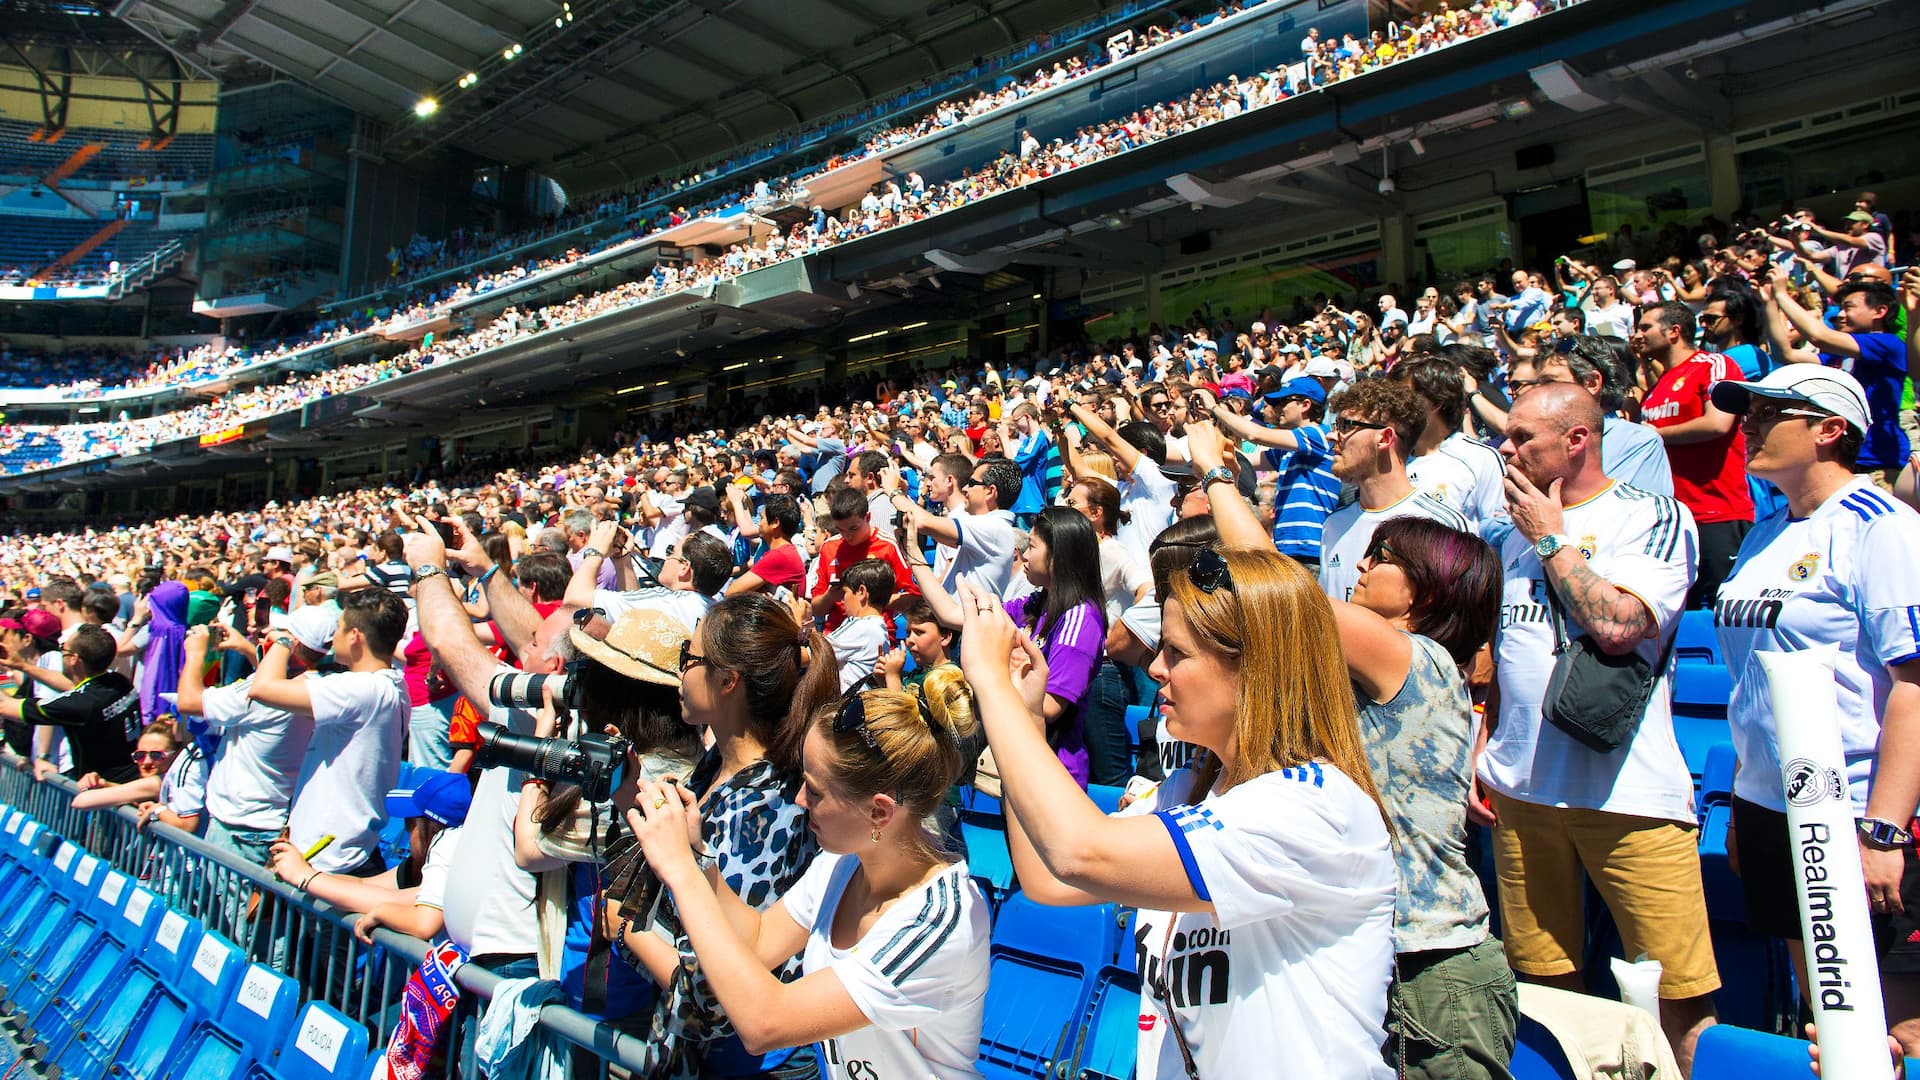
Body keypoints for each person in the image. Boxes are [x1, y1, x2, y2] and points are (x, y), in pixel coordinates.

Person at [956, 546, 1396, 1079]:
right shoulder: (1189, 789)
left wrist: (991, 685)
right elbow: (1051, 878)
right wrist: (1026, 715)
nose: (1155, 668)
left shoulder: (1315, 808)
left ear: (1255, 669)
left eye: (1178, 653)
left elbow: (1080, 854)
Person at [1191, 415, 1516, 1077]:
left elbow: (1281, 588)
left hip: (1433, 970)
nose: (1362, 564)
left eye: (1385, 557)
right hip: (1368, 956)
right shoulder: (1371, 668)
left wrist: (1217, 475)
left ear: (1429, 588)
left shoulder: (1418, 659)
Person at [1479, 383, 1719, 1072]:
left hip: (1628, 794)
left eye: (1523, 437)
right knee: (1543, 983)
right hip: (1522, 792)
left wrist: (1550, 538)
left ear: (1577, 440)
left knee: (1677, 991)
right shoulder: (1505, 534)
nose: (1507, 449)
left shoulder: (1651, 516)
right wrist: (1481, 747)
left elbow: (1619, 625)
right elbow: (1498, 656)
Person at [626, 671, 990, 1078]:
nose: (799, 799)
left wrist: (680, 872)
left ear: (879, 812)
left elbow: (765, 1023)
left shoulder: (938, 922)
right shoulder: (846, 862)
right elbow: (760, 940)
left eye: (815, 791)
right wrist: (698, 857)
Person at [1707, 365, 1920, 1057]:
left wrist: (1884, 832)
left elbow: (1914, 686)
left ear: (1829, 430)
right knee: (1827, 1022)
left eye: (1771, 413)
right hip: (1774, 806)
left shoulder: (1881, 528)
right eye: (1749, 412)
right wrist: (1742, 806)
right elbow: (1750, 685)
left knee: (1900, 1028)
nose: (1749, 425)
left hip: (1859, 809)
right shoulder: (1768, 530)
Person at [616, 592, 840, 1078]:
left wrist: (627, 929)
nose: (680, 673)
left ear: (727, 681)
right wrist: (629, 802)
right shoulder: (717, 766)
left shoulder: (767, 805)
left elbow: (719, 995)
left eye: (689, 658)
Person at [910, 506, 1106, 787]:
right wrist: (915, 556)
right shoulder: (1035, 604)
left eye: (1032, 546)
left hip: (1054, 776)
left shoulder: (1080, 618)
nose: (1024, 555)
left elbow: (1049, 706)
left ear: (1057, 556)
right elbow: (950, 615)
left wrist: (998, 669)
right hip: (1020, 764)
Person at [247, 587, 410, 879]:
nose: (334, 636)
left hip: (326, 858)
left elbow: (262, 689)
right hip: (345, 847)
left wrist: (285, 641)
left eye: (339, 627)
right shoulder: (393, 683)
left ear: (355, 636)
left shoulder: (361, 689)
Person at [1635, 300, 1753, 608]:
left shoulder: (1713, 365)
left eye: (1645, 327)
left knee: (1724, 611)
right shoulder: (1656, 387)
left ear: (1674, 331)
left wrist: (1655, 435)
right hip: (1672, 519)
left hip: (1717, 512)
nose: (1637, 334)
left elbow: (1718, 423)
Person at [1317, 378, 1471, 603]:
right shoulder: (1333, 524)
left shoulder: (1441, 525)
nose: (1331, 436)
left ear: (1385, 438)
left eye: (1346, 426)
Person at [1766, 274, 1909, 488]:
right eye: (1840, 308)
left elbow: (1819, 337)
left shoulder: (1888, 344)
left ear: (1879, 311)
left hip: (1878, 464)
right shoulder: (1840, 354)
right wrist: (1769, 301)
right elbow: (1786, 354)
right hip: (1844, 460)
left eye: (1848, 307)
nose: (1841, 315)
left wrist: (1781, 294)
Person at [1206, 377, 1339, 571]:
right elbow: (1243, 460)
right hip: (1287, 550)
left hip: (1310, 550)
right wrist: (1210, 427)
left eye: (1284, 402)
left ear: (1305, 405)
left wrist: (1215, 408)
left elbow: (1255, 435)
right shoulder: (1288, 450)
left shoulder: (1320, 434)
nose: (1278, 408)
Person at [0, 624, 141, 783]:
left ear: (74, 659)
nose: (61, 654)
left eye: (63, 649)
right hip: (133, 778)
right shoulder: (119, 682)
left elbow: (4, 706)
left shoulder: (80, 705)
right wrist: (21, 665)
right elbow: (71, 686)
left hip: (103, 788)